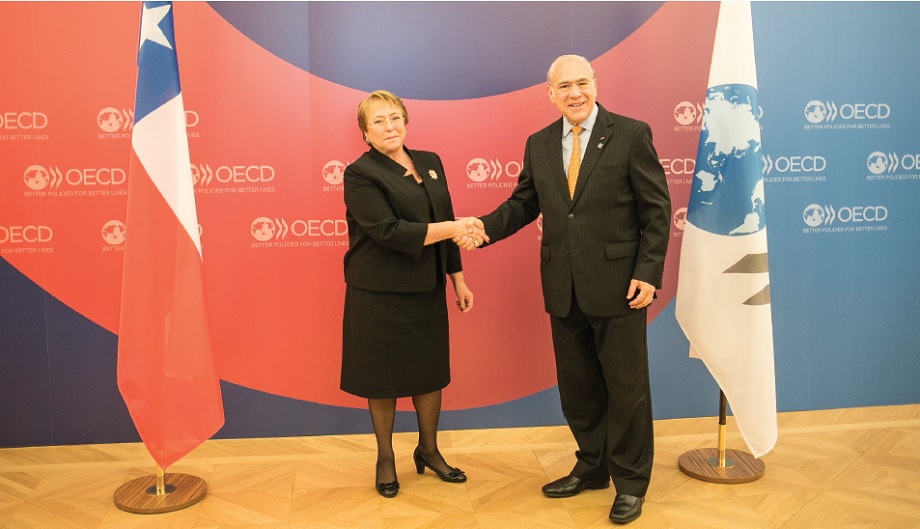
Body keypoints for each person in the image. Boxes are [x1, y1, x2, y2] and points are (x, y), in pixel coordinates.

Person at [465, 55, 671, 524]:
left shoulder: (631, 134)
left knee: (627, 390)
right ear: (550, 93)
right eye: (565, 86)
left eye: (582, 83)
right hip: (563, 286)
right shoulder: (538, 144)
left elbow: (657, 211)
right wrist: (483, 228)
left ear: (595, 85)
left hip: (621, 287)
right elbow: (523, 204)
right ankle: (593, 467)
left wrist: (649, 271)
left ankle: (631, 483)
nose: (575, 93)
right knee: (578, 388)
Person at [341, 90, 485, 498]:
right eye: (379, 122)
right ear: (365, 133)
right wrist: (457, 227)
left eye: (395, 118)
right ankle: (385, 458)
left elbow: (444, 219)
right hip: (377, 292)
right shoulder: (359, 173)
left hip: (426, 287)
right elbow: (388, 231)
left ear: (406, 121)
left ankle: (429, 450)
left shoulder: (430, 162)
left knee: (429, 373)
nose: (390, 127)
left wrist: (457, 277)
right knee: (381, 379)